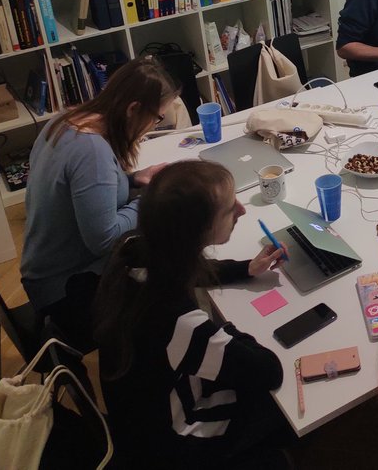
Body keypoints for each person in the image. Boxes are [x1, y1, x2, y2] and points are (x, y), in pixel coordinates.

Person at [95, 159, 289, 469]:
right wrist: (226, 329)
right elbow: (268, 369)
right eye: (229, 209)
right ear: (200, 231)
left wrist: (244, 269)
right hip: (177, 445)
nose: (241, 210)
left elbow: (182, 269)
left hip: (142, 414)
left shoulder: (132, 249)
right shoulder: (177, 324)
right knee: (284, 405)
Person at [20, 56, 180, 346]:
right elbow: (105, 240)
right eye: (157, 118)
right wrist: (150, 198)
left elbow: (84, 194)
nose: (154, 127)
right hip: (64, 293)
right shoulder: (92, 151)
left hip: (43, 273)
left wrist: (134, 180)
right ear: (133, 109)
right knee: (170, 297)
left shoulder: (66, 121)